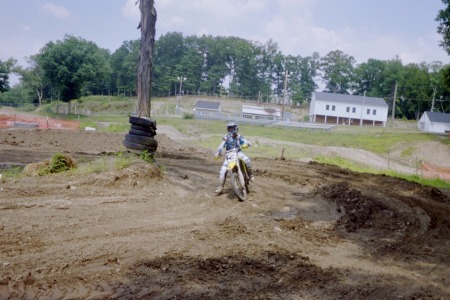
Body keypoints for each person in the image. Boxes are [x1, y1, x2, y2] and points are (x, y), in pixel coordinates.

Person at [214, 121, 254, 195]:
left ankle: (250, 174)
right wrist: (218, 152)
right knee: (223, 170)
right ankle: (221, 186)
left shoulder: (239, 137)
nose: (231, 130)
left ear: (235, 128)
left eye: (232, 128)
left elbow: (246, 142)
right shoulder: (226, 138)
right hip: (229, 155)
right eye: (229, 128)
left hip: (238, 152)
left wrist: (247, 144)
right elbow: (221, 145)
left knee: (247, 160)